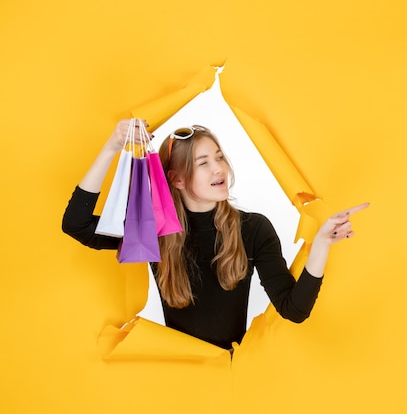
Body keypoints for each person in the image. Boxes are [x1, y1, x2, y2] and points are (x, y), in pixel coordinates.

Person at [62, 119, 368, 351]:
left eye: (219, 157)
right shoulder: (152, 231)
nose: (218, 169)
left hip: (232, 379)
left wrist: (322, 245)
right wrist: (113, 146)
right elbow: (76, 224)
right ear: (177, 180)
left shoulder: (254, 228)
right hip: (177, 377)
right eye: (203, 163)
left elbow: (294, 310)